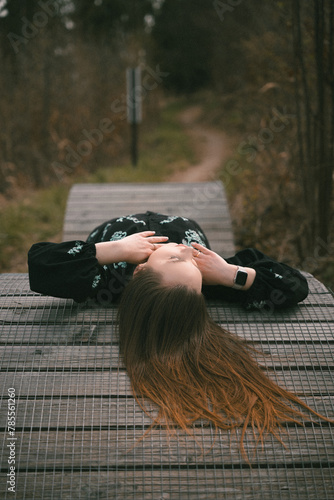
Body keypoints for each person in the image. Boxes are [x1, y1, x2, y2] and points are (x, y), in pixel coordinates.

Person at [28, 211, 329, 458]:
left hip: (115, 233)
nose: (187, 252)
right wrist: (228, 274)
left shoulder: (109, 281)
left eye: (177, 260)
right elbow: (294, 285)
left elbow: (41, 263)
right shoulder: (206, 282)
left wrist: (117, 250)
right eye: (193, 267)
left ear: (141, 271)